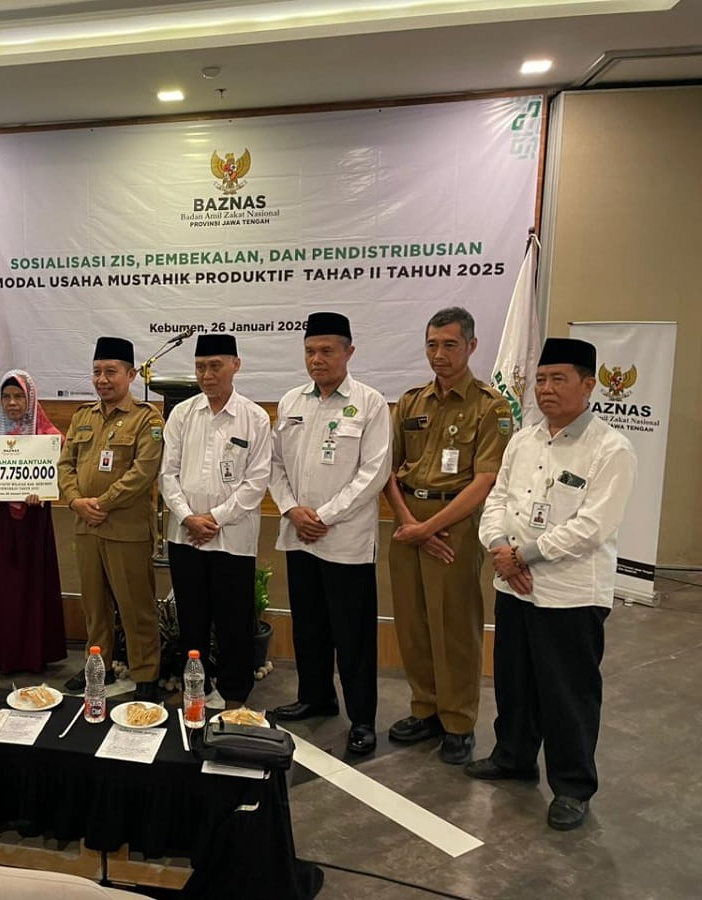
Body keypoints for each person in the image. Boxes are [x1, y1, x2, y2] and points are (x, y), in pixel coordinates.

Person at [468, 337, 636, 831]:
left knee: (568, 694)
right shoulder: (523, 440)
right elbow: (497, 500)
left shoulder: (611, 448)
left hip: (570, 594)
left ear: (589, 385)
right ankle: (513, 757)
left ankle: (573, 787)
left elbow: (592, 527)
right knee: (514, 682)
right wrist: (500, 547)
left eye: (558, 379)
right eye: (541, 379)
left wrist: (523, 555)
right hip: (513, 586)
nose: (545, 388)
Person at [383, 306, 509, 764]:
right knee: (413, 622)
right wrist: (408, 523)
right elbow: (388, 470)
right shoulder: (411, 402)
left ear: (471, 346)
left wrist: (428, 529)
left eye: (450, 345)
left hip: (455, 522)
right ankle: (426, 708)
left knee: (454, 625)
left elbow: (485, 480)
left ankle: (457, 721)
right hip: (407, 520)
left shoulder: (490, 406)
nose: (439, 354)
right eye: (432, 345)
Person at [268, 313, 391, 755]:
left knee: (352, 634)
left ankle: (362, 718)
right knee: (309, 625)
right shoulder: (291, 401)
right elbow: (274, 464)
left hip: (345, 541)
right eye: (309, 351)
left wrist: (323, 515)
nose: (316, 359)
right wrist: (291, 509)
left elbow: (374, 473)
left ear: (348, 352)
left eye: (326, 351)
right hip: (299, 534)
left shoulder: (370, 403)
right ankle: (315, 696)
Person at [161, 333, 271, 709]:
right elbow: (168, 474)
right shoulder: (182, 414)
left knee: (233, 618)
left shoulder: (254, 417)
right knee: (191, 618)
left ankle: (235, 694)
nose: (206, 375)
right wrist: (188, 517)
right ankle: (197, 687)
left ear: (235, 366)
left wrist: (214, 519)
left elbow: (257, 482)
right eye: (200, 367)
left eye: (215, 366)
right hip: (186, 536)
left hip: (233, 538)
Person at [58, 337, 164, 702]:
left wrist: (101, 503)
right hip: (86, 527)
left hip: (126, 530)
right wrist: (76, 501)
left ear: (131, 375)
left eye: (111, 372)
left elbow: (143, 472)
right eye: (97, 372)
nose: (102, 379)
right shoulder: (83, 416)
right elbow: (65, 465)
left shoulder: (147, 419)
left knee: (136, 606)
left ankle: (146, 673)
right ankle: (97, 666)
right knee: (95, 606)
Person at [0, 370, 67, 673]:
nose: (12, 403)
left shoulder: (49, 438)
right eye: (6, 397)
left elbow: (60, 475)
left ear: (31, 399)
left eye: (18, 396)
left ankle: (32, 653)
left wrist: (44, 491)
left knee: (31, 586)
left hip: (32, 522)